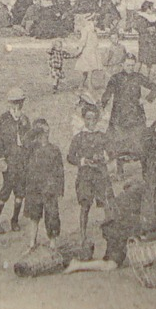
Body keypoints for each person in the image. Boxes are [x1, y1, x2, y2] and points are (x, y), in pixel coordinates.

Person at [67, 104, 111, 249]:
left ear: (97, 119)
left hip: (100, 173)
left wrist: (104, 156)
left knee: (107, 203)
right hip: (85, 175)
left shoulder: (102, 136)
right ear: (84, 119)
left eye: (93, 118)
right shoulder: (78, 138)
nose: (91, 121)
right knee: (85, 206)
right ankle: (83, 235)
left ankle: (111, 234)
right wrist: (83, 161)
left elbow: (112, 151)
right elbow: (70, 157)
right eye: (88, 118)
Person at [101, 54, 156, 160]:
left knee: (140, 144)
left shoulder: (138, 77)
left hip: (136, 115)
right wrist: (102, 105)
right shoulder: (115, 78)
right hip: (119, 116)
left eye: (132, 65)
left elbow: (155, 87)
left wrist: (147, 99)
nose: (130, 68)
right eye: (128, 65)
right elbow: (107, 94)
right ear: (122, 65)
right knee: (117, 145)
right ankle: (119, 171)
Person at [0, 88, 31, 235]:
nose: (18, 105)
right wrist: (1, 158)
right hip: (9, 161)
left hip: (22, 161)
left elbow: (30, 138)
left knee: (20, 192)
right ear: (9, 103)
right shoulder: (2, 120)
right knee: (6, 190)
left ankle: (15, 220)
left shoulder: (25, 119)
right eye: (15, 102)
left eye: (20, 102)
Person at [22, 118, 65, 250]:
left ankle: (52, 243)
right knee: (34, 216)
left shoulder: (54, 150)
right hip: (34, 187)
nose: (44, 134)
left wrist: (60, 188)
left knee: (52, 215)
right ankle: (31, 243)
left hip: (49, 188)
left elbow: (59, 170)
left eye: (46, 130)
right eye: (41, 131)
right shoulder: (31, 148)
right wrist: (35, 130)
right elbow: (25, 141)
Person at [134, 2, 156, 74]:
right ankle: (134, 75)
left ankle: (147, 76)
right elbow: (139, 28)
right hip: (144, 39)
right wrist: (148, 29)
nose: (153, 9)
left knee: (150, 59)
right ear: (147, 9)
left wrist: (155, 29)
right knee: (142, 58)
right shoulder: (141, 17)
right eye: (152, 7)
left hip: (152, 39)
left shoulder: (152, 16)